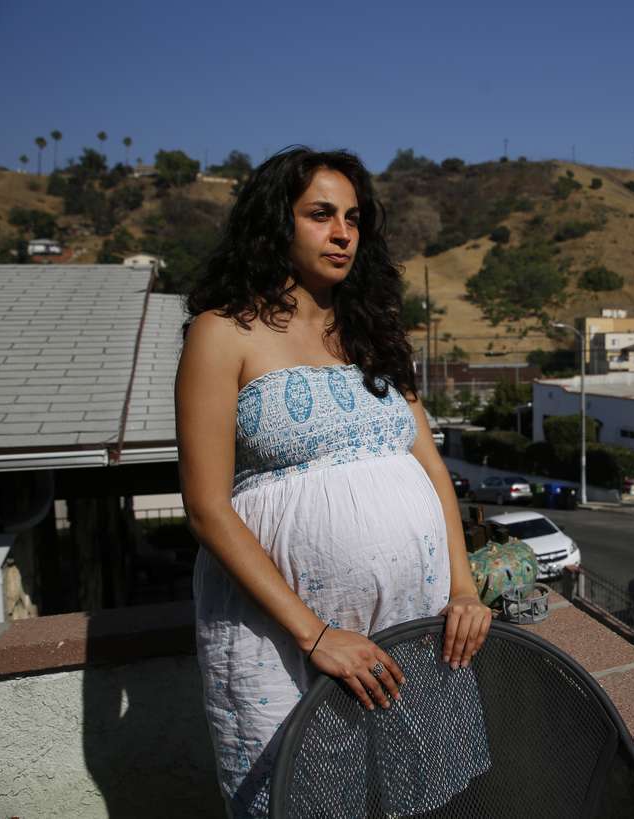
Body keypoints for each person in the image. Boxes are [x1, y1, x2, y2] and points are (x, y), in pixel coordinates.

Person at [176, 147, 492, 817]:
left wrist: (463, 588)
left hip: (410, 627)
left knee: (402, 793)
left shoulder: (371, 331)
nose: (342, 232)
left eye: (352, 218)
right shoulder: (222, 334)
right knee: (306, 796)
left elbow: (429, 462)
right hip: (284, 643)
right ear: (276, 225)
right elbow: (207, 508)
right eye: (320, 214)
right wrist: (315, 634)